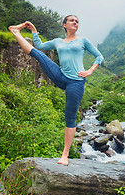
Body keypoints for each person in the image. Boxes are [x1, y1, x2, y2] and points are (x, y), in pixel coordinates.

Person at [8, 15, 103, 165]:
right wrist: (33, 30)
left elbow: (99, 57)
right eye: (72, 20)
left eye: (77, 21)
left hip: (76, 82)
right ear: (64, 24)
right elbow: (39, 44)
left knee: (70, 117)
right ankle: (15, 31)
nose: (75, 23)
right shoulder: (58, 41)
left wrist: (90, 70)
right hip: (60, 76)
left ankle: (64, 156)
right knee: (38, 54)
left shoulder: (83, 41)